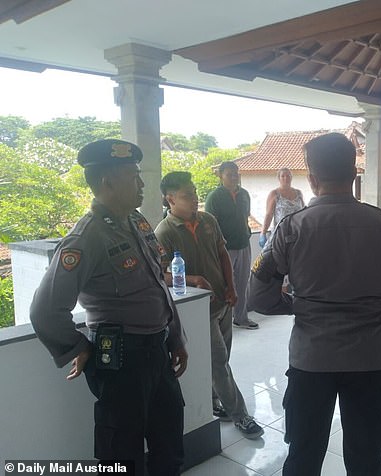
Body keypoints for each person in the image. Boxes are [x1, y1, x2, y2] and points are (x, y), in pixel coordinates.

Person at [247, 132, 381, 476]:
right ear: (354, 175)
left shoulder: (290, 229)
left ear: (312, 180)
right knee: (367, 460)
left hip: (311, 360)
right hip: (369, 361)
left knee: (303, 456)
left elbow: (260, 298)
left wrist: (299, 305)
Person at [29, 139, 188, 476]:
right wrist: (78, 346)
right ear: (108, 182)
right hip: (120, 359)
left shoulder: (137, 223)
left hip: (157, 351)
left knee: (169, 445)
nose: (143, 184)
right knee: (123, 456)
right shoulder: (86, 238)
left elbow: (158, 284)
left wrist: (176, 337)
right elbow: (45, 311)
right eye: (134, 176)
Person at [155, 171, 264, 439]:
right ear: (170, 199)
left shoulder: (208, 220)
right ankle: (241, 416)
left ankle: (217, 402)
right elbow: (160, 275)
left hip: (222, 303)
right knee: (219, 363)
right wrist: (191, 278)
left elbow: (222, 254)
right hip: (197, 311)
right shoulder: (164, 232)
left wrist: (232, 286)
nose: (194, 199)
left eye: (194, 193)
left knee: (222, 357)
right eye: (187, 195)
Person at [205, 161, 259, 330]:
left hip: (243, 243)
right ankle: (223, 320)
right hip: (225, 248)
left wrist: (247, 233)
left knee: (243, 282)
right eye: (229, 174)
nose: (234, 177)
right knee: (226, 283)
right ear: (220, 176)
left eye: (236, 173)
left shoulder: (244, 194)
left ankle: (241, 317)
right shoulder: (215, 197)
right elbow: (209, 224)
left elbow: (245, 216)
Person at [259, 167, 304, 247]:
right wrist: (263, 233)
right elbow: (269, 215)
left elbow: (303, 212)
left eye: (288, 176)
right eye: (283, 176)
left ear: (291, 178)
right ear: (279, 178)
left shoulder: (298, 193)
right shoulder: (274, 194)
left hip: (298, 234)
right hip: (281, 235)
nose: (286, 178)